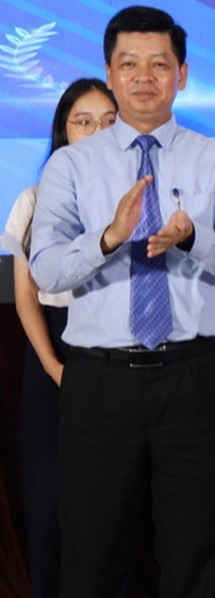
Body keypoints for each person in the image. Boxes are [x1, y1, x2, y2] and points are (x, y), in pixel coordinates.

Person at [28, 5, 215, 597]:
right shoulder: (71, 164)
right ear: (110, 73)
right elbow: (46, 266)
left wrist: (192, 237)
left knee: (196, 551)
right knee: (93, 551)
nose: (144, 76)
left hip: (191, 374)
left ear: (182, 74)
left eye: (160, 64)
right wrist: (107, 238)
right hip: (99, 382)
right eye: (129, 63)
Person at [1, 77, 116, 598]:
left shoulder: (138, 200)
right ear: (64, 130)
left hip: (118, 358)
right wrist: (52, 366)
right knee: (49, 514)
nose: (95, 132)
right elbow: (25, 295)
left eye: (108, 122)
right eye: (83, 121)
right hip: (53, 350)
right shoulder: (34, 198)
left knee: (111, 513)